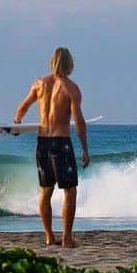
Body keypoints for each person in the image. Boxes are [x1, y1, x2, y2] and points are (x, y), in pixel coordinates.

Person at [14, 47, 90, 247]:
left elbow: (22, 107)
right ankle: (66, 238)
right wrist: (85, 149)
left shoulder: (40, 84)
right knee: (70, 192)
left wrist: (17, 123)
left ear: (51, 62)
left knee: (45, 191)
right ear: (70, 64)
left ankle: (49, 236)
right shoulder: (71, 88)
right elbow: (79, 122)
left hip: (42, 144)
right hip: (61, 144)